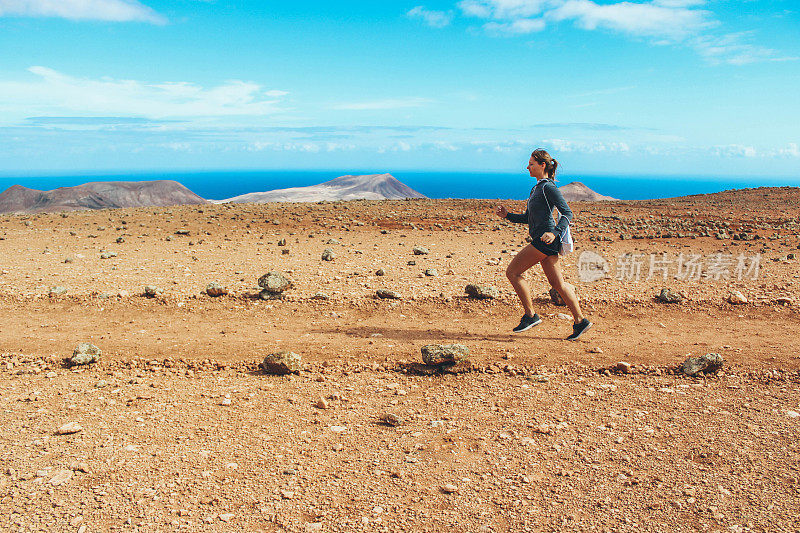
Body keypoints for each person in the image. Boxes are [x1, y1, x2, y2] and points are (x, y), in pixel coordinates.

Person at [495, 149, 592, 340]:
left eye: (531, 163)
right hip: (546, 242)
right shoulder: (536, 189)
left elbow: (567, 213)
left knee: (512, 273)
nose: (527, 166)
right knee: (558, 284)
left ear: (542, 165)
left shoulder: (548, 188)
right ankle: (581, 322)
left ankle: (530, 316)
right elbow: (528, 218)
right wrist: (507, 216)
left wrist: (554, 232)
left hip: (544, 242)